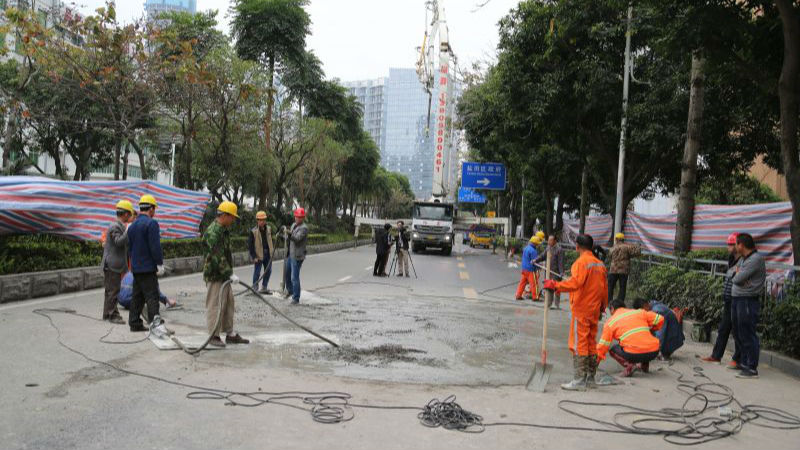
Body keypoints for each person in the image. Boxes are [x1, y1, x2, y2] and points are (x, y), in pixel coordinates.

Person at [543, 233, 608, 390]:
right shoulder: (600, 264)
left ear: (577, 246)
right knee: (591, 343)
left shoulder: (581, 263)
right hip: (594, 310)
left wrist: (555, 285)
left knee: (579, 344)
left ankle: (579, 380)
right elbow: (604, 289)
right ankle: (590, 379)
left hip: (582, 309)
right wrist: (602, 308)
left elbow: (575, 283)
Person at [202, 201, 249, 347]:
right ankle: (213, 336)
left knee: (228, 303)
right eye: (232, 217)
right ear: (225, 215)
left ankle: (230, 333)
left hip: (224, 275)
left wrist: (229, 273)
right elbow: (217, 255)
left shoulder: (223, 229)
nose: (233, 220)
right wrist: (229, 273)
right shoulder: (213, 231)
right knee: (215, 305)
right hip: (215, 274)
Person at [126, 195, 166, 333]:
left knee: (137, 296)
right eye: (154, 209)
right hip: (148, 267)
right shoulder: (151, 223)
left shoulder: (131, 226)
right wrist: (159, 264)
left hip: (136, 268)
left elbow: (129, 248)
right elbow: (155, 247)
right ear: (151, 208)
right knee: (152, 296)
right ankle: (156, 326)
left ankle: (134, 323)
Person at [701, 233, 741, 367]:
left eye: (731, 244)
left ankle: (738, 359)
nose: (728, 247)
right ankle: (716, 356)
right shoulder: (731, 258)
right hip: (729, 297)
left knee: (737, 330)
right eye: (728, 244)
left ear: (738, 245)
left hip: (738, 299)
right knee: (724, 328)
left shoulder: (744, 261)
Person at [596, 299, 664, 377]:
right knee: (644, 339)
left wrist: (595, 363)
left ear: (612, 309)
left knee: (613, 349)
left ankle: (629, 366)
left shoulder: (610, 323)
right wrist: (652, 329)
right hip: (654, 352)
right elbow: (660, 319)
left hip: (633, 353)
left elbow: (603, 346)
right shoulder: (639, 312)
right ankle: (644, 366)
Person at [730, 232, 766, 379]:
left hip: (747, 300)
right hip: (738, 298)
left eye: (736, 244)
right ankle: (743, 362)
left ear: (741, 245)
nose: (734, 246)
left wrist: (738, 275)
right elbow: (731, 274)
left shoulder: (755, 259)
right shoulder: (743, 259)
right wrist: (737, 275)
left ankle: (751, 367)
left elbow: (737, 278)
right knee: (738, 331)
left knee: (747, 332)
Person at [100, 200, 134, 324]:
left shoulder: (119, 226)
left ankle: (106, 314)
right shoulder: (115, 226)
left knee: (110, 290)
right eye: (129, 214)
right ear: (125, 214)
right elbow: (119, 241)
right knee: (113, 291)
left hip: (113, 264)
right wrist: (128, 230)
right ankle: (113, 315)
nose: (130, 217)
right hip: (112, 265)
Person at [283, 207, 309, 305]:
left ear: (302, 218)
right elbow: (289, 238)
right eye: (296, 217)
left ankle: (296, 298)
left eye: (299, 217)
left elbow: (297, 239)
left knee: (294, 277)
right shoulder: (294, 225)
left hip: (297, 256)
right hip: (290, 254)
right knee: (287, 273)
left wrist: (289, 234)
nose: (297, 219)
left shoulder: (304, 228)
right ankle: (290, 291)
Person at [608, 232, 641, 303]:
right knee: (622, 288)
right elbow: (637, 253)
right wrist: (638, 245)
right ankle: (620, 303)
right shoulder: (628, 247)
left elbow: (610, 256)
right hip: (624, 271)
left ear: (616, 239)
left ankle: (609, 302)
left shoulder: (612, 248)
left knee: (610, 287)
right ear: (623, 239)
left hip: (613, 270)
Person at [248, 211, 275, 294]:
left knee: (268, 271)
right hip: (259, 254)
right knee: (257, 272)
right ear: (257, 220)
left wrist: (272, 251)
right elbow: (250, 245)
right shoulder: (253, 231)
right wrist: (253, 256)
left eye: (263, 219)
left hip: (268, 253)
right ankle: (255, 288)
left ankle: (264, 287)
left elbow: (271, 240)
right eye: (260, 220)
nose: (262, 221)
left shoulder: (269, 229)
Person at [535, 235, 565, 309]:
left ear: (555, 241)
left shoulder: (559, 249)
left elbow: (560, 262)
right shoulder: (548, 248)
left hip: (556, 272)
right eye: (548, 240)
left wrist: (561, 272)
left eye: (550, 240)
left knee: (557, 288)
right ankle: (548, 304)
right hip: (548, 271)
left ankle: (556, 304)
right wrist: (535, 260)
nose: (548, 242)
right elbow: (542, 256)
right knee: (549, 288)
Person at [515, 236, 540, 301]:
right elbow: (535, 261)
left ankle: (518, 295)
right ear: (535, 243)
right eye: (537, 243)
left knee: (522, 283)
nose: (538, 244)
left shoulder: (526, 248)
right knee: (534, 284)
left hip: (524, 269)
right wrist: (538, 269)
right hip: (531, 270)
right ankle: (535, 297)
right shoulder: (533, 251)